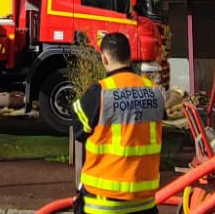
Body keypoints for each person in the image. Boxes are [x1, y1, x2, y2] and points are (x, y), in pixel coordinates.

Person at [71, 32, 165, 214]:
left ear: (104, 59)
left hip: (103, 204)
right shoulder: (153, 91)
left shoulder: (100, 92)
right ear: (130, 57)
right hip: (145, 203)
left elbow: (79, 131)